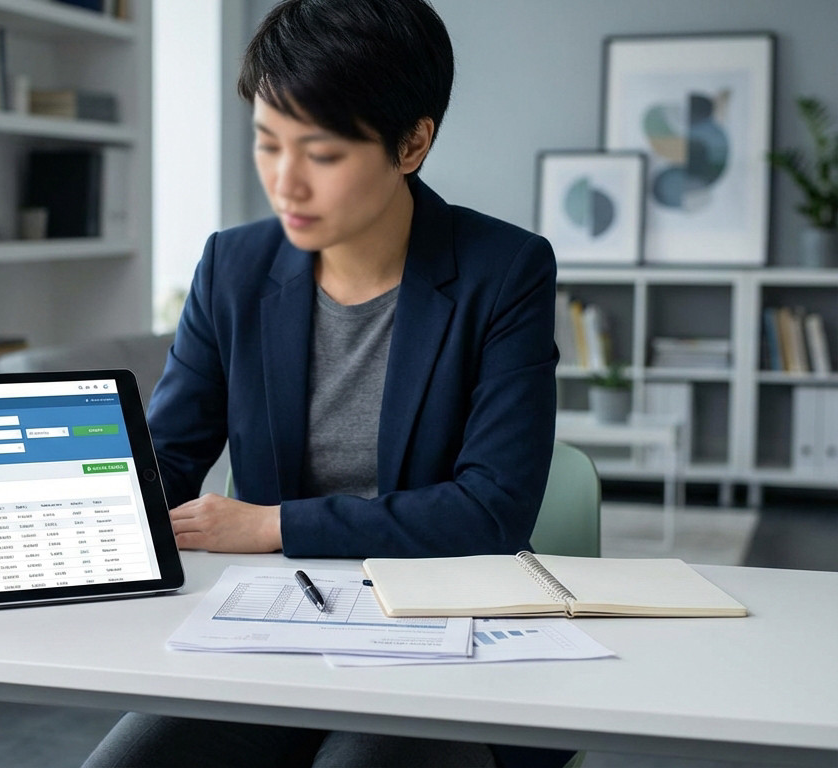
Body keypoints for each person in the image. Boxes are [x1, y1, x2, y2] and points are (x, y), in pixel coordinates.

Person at [82, 0, 576, 765]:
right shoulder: (234, 267)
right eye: (268, 144)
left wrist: (272, 525)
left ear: (412, 143)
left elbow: (490, 515)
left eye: (322, 153)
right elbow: (165, 461)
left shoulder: (505, 271)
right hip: (275, 629)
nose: (286, 185)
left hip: (451, 632)